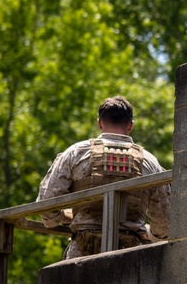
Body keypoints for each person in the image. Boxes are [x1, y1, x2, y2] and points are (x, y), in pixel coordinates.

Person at [38, 96, 170, 259]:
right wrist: (151, 233)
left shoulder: (75, 153)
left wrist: (64, 216)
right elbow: (165, 225)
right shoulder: (150, 162)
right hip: (131, 258)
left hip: (81, 256)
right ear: (130, 125)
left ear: (100, 123)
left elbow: (46, 207)